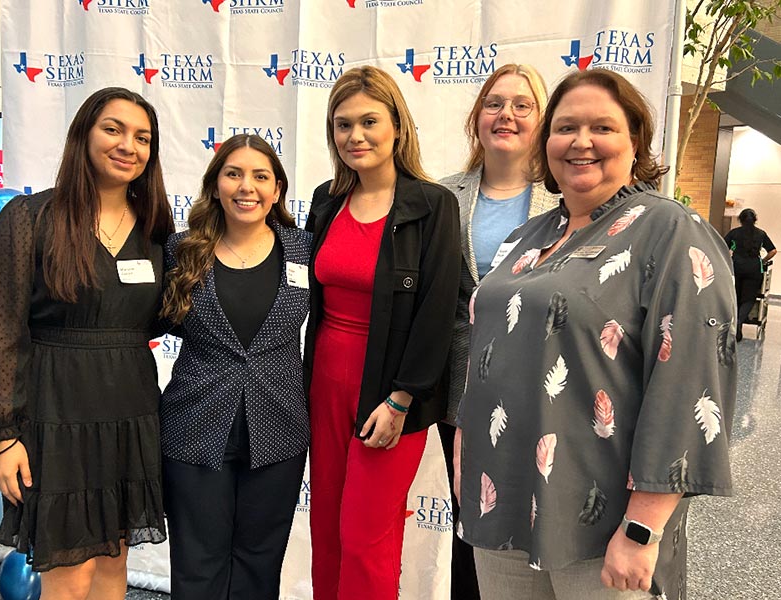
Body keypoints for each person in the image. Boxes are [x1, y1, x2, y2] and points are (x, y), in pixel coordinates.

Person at [455, 69, 736, 600]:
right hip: (504, 506)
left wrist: (642, 528)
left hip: (602, 523)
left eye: (602, 128)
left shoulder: (669, 231)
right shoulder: (528, 236)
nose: (581, 142)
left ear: (636, 143)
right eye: (565, 128)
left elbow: (690, 383)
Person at [0, 87, 173, 599]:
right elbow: (0, 333)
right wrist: (3, 435)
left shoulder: (156, 229)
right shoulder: (29, 218)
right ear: (83, 134)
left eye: (142, 137)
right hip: (54, 413)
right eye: (113, 129)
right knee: (69, 577)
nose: (128, 145)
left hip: (129, 410)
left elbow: (151, 320)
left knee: (112, 567)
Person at [304, 65, 461, 600]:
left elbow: (437, 311)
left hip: (390, 390)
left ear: (397, 125)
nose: (356, 136)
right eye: (343, 125)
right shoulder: (324, 201)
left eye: (369, 121)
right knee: (324, 528)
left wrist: (400, 399)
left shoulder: (432, 204)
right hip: (324, 382)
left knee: (366, 536)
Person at [159, 134, 310, 600]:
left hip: (279, 427)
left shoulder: (304, 249)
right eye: (234, 174)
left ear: (278, 189)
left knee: (259, 562)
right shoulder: (181, 250)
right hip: (195, 423)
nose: (248, 187)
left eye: (261, 176)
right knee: (197, 564)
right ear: (216, 185)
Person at [438, 63, 559, 600]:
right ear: (476, 118)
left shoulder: (566, 197)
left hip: (541, 386)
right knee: (470, 523)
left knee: (536, 514)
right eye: (494, 103)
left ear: (543, 120)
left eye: (522, 104)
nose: (506, 114)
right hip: (460, 389)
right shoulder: (443, 196)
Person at [725, 208, 776, 341]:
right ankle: (739, 322)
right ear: (755, 220)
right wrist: (762, 261)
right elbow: (773, 251)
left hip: (736, 268)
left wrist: (730, 258)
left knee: (736, 297)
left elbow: (722, 247)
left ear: (740, 220)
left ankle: (737, 324)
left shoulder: (734, 233)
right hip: (754, 269)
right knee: (748, 299)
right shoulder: (761, 234)